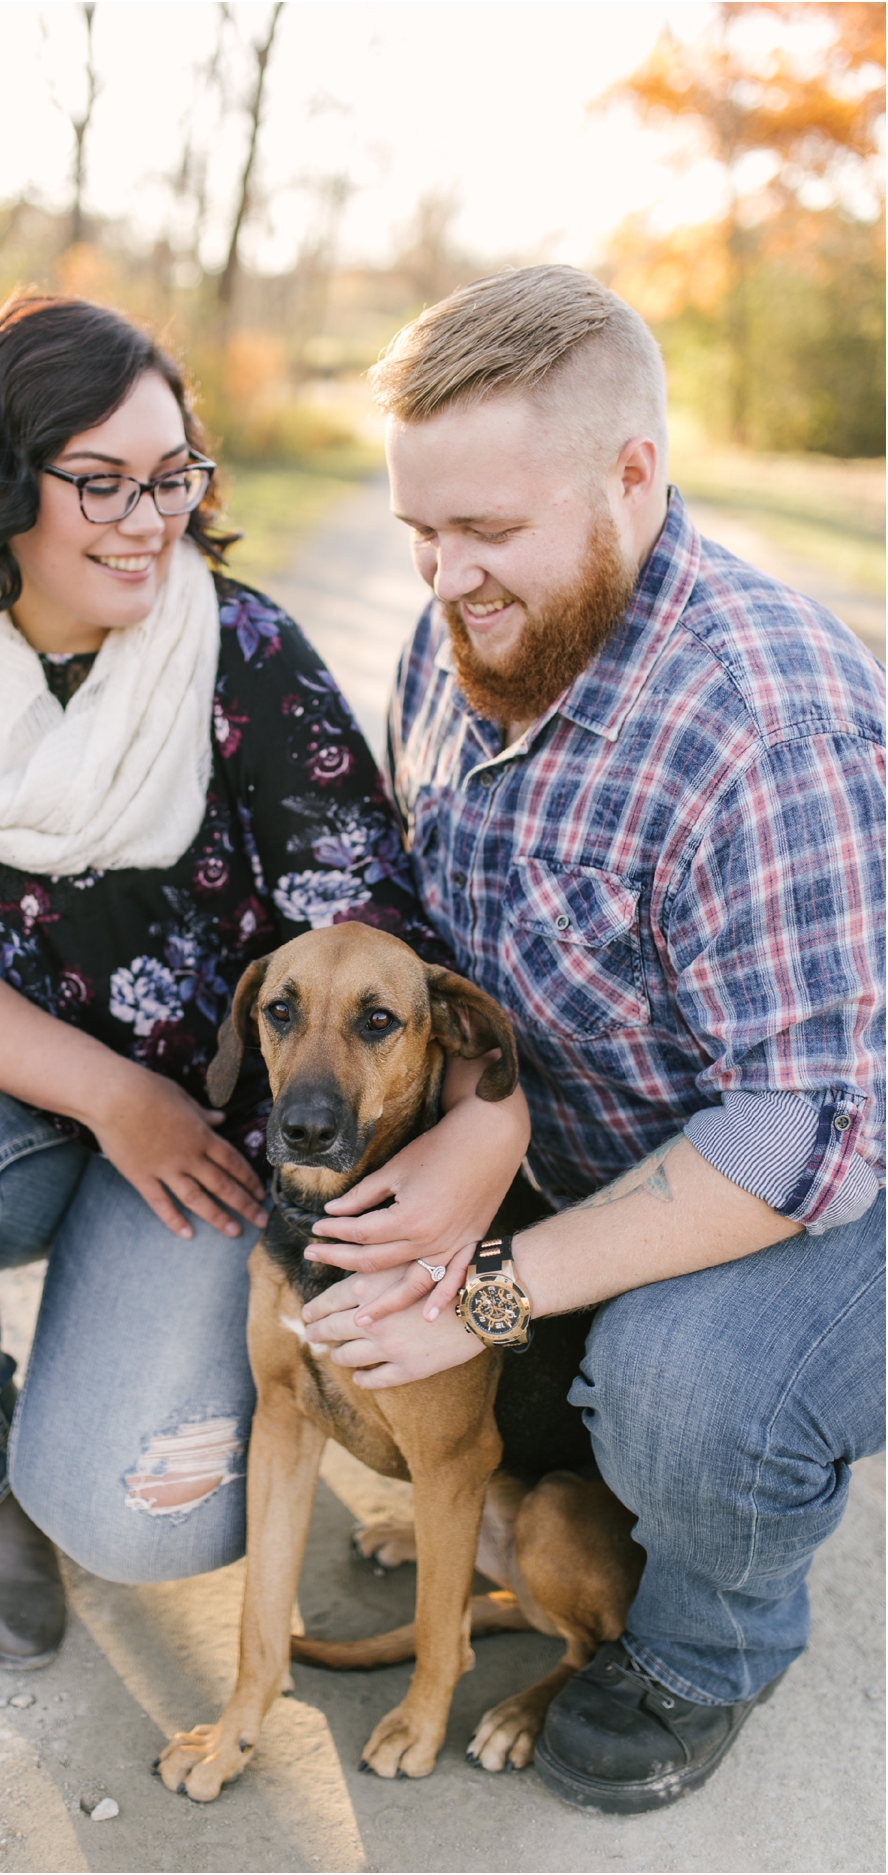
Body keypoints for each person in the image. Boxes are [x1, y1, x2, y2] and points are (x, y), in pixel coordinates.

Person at [0, 294, 530, 1670]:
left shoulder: (243, 653)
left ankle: (94, 1414)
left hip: (210, 1133)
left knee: (138, 1518)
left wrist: (468, 1127)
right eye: (100, 483)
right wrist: (105, 1096)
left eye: (172, 478)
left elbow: (364, 920)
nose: (149, 519)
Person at [298, 264, 884, 1814]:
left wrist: (488, 1288)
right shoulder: (473, 631)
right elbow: (427, 919)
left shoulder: (768, 724)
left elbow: (803, 1135)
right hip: (595, 1145)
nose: (445, 578)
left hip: (832, 1188)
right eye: (422, 534)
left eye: (488, 532)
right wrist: (487, 1121)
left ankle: (707, 1645)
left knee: (678, 1384)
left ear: (635, 476)